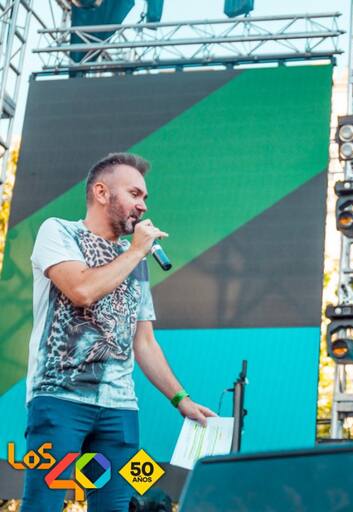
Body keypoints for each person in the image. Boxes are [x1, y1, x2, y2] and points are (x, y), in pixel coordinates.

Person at [22, 153, 215, 511]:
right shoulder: (59, 231)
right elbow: (81, 290)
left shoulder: (135, 261)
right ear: (101, 192)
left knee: (117, 505)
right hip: (60, 400)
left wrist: (181, 399)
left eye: (145, 198)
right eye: (134, 194)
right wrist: (137, 251)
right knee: (44, 504)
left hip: (120, 410)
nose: (143, 206)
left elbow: (145, 342)